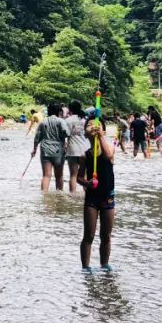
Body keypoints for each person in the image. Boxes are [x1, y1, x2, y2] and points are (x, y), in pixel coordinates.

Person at [80, 117, 116, 271]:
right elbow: (79, 177)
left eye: (97, 125)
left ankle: (104, 265)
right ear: (85, 133)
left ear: (104, 132)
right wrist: (86, 183)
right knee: (89, 234)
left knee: (106, 235)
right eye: (89, 125)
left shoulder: (110, 148)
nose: (93, 127)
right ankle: (86, 267)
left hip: (108, 197)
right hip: (92, 198)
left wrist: (101, 137)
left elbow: (108, 156)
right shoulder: (85, 155)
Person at [29, 103, 68, 192]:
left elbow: (37, 138)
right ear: (59, 111)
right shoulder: (61, 121)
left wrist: (34, 149)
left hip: (45, 150)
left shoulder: (43, 122)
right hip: (58, 150)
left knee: (46, 175)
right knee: (59, 176)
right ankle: (59, 196)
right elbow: (67, 133)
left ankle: (44, 196)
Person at [65, 100, 91, 193]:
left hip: (72, 150)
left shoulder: (68, 120)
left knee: (73, 175)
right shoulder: (85, 120)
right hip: (85, 150)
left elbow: (65, 135)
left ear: (70, 109)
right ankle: (87, 194)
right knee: (85, 175)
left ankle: (73, 195)